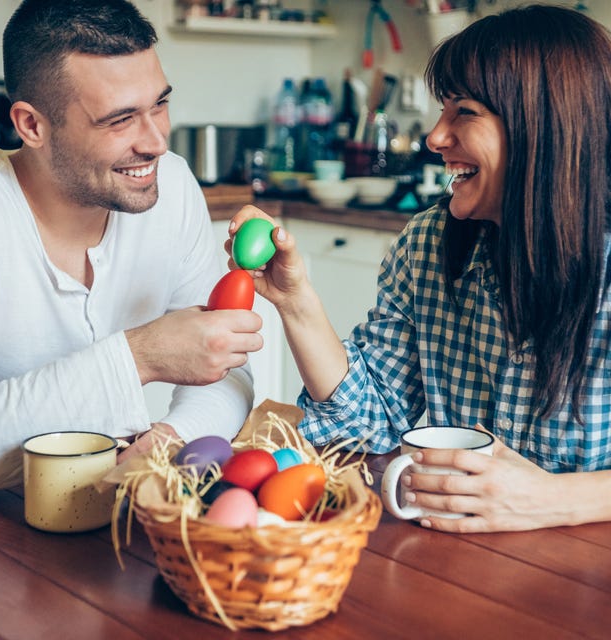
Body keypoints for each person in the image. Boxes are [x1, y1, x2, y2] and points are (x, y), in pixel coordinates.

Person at [227, 4, 611, 532]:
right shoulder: (430, 244)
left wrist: (554, 499)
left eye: (464, 112)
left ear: (542, 126)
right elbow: (368, 425)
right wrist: (294, 300)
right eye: (441, 110)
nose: (434, 137)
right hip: (460, 559)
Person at [0, 0, 263, 494]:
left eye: (159, 105)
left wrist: (174, 436)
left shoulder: (172, 185)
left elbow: (227, 369)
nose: (155, 142)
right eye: (120, 119)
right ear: (32, 126)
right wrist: (140, 356)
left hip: (107, 526)